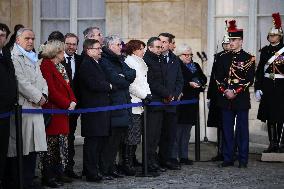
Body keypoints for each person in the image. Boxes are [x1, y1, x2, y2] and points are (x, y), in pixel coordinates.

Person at [5, 28, 48, 189]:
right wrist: (38, 97)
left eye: (33, 38)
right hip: (23, 108)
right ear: (17, 40)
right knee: (20, 148)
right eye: (27, 38)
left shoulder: (32, 56)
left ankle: (29, 179)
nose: (30, 41)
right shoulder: (14, 56)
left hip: (35, 109)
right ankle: (19, 181)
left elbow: (42, 79)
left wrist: (44, 95)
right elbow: (20, 82)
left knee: (33, 148)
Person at [216, 20, 255, 168]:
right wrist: (225, 91)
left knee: (242, 130)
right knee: (227, 130)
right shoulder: (223, 57)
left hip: (241, 99)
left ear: (241, 41)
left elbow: (249, 80)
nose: (231, 42)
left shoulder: (249, 58)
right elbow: (217, 78)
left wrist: (234, 91)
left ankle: (243, 159)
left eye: (234, 40)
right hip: (226, 98)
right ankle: (228, 158)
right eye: (230, 40)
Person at [100, 35, 136, 178]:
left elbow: (132, 74)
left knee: (117, 140)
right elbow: (114, 78)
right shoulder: (105, 60)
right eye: (117, 44)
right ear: (109, 46)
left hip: (123, 102)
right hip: (114, 104)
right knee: (110, 140)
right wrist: (123, 78)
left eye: (120, 44)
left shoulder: (120, 59)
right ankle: (105, 168)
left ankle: (111, 167)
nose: (121, 47)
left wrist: (123, 77)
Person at [79, 39, 113, 182]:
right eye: (97, 48)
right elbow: (93, 85)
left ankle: (92, 170)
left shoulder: (96, 63)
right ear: (89, 50)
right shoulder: (86, 64)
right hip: (93, 110)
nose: (100, 51)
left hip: (100, 109)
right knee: (93, 143)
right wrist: (109, 86)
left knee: (97, 142)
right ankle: (91, 172)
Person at [255, 12, 284, 153]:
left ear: (280, 36)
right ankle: (272, 143)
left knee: (280, 116)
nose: (272, 37)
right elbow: (260, 70)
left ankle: (280, 143)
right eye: (270, 35)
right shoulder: (265, 51)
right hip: (268, 86)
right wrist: (258, 87)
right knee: (270, 117)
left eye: (274, 35)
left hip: (281, 87)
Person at [174, 43, 207, 165]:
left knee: (187, 132)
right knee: (177, 131)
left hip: (191, 103)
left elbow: (203, 78)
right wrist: (189, 84)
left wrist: (199, 83)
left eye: (190, 54)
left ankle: (184, 156)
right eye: (186, 54)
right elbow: (177, 82)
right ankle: (174, 157)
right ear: (179, 55)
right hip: (180, 103)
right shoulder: (176, 65)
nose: (188, 57)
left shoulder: (194, 65)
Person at [123, 40, 152, 174]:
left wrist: (147, 94)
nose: (143, 51)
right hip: (134, 101)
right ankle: (127, 163)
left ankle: (132, 160)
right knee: (131, 136)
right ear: (133, 50)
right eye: (141, 49)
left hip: (140, 102)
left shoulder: (140, 61)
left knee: (136, 135)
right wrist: (144, 95)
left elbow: (144, 82)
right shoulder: (130, 62)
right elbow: (132, 85)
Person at [156, 33, 184, 170]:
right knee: (157, 134)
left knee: (169, 133)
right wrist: (164, 94)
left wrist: (175, 94)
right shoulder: (154, 58)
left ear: (170, 44)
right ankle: (154, 160)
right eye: (159, 41)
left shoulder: (175, 59)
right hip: (157, 102)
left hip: (171, 103)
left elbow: (180, 80)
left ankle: (166, 159)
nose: (161, 44)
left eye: (164, 42)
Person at [207, 32, 231, 161]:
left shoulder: (235, 56)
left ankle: (230, 151)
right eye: (225, 43)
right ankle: (221, 151)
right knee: (219, 124)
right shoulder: (218, 57)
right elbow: (213, 78)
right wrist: (210, 96)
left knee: (229, 124)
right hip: (218, 94)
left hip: (231, 94)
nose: (227, 45)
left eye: (228, 43)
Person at [62, 33, 83, 178]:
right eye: (68, 44)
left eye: (74, 44)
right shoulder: (57, 59)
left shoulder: (80, 60)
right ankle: (60, 169)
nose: (71, 47)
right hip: (60, 106)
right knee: (61, 138)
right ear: (63, 44)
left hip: (76, 106)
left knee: (70, 137)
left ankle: (69, 167)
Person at [0, 23, 17, 189]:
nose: (1, 38)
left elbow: (11, 77)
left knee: (4, 147)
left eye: (3, 35)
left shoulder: (6, 53)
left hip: (7, 110)